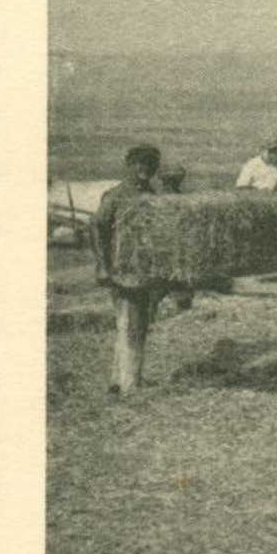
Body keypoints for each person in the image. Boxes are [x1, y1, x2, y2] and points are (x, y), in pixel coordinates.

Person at [91, 144, 161, 395]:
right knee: (131, 322)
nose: (146, 169)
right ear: (130, 166)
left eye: (151, 165)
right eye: (141, 164)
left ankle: (119, 379)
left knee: (134, 322)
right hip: (122, 270)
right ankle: (130, 384)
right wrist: (102, 265)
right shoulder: (116, 195)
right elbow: (97, 227)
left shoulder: (152, 195)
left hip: (143, 270)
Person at [154, 163, 196, 315]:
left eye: (175, 181)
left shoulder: (182, 199)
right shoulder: (157, 199)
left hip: (179, 248)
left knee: (180, 284)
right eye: (169, 181)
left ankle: (181, 312)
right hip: (164, 247)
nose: (172, 184)